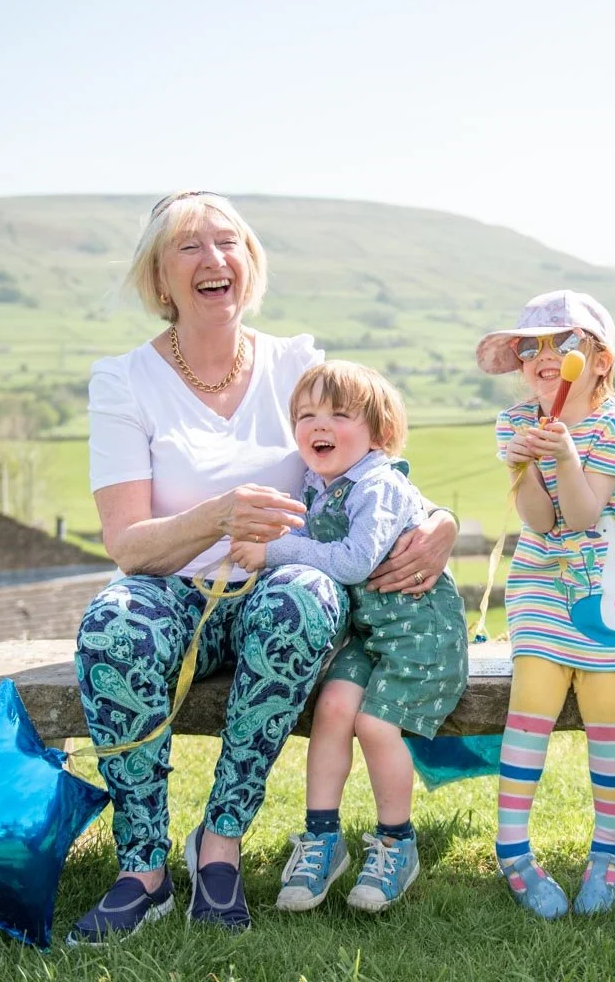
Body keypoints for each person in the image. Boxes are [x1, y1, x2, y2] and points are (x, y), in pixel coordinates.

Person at [69, 191, 459, 944]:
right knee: (114, 623)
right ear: (159, 278)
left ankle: (220, 845)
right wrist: (217, 516)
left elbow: (367, 459)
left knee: (305, 596)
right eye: (190, 247)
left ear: (250, 265)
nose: (214, 260)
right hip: (173, 592)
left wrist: (437, 519)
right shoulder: (124, 381)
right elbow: (127, 544)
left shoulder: (294, 362)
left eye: (229, 244)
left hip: (276, 590)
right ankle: (143, 867)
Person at [223, 360, 469, 914]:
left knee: (374, 724)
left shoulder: (377, 485)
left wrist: (275, 552)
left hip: (420, 634)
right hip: (373, 633)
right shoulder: (322, 484)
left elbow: (356, 562)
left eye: (339, 414)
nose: (319, 425)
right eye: (306, 415)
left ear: (379, 435)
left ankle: (396, 843)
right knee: (333, 706)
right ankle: (322, 839)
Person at [476, 289, 615, 919]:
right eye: (531, 347)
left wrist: (566, 454)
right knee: (531, 708)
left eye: (563, 343)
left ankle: (608, 851)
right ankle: (513, 850)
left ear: (600, 361)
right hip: (542, 588)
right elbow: (543, 522)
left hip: (609, 593)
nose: (544, 357)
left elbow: (582, 515)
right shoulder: (515, 424)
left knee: (609, 713)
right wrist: (524, 468)